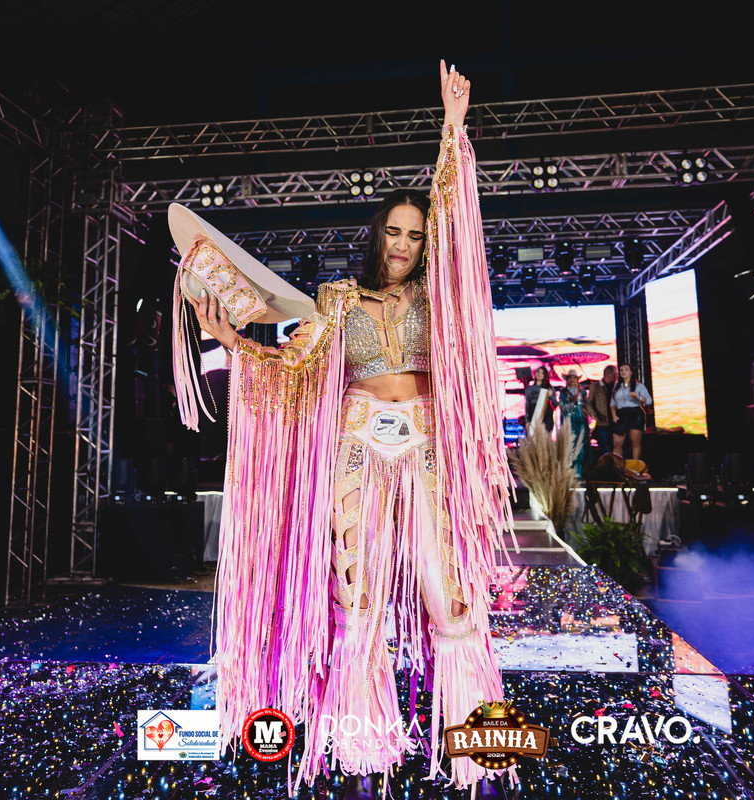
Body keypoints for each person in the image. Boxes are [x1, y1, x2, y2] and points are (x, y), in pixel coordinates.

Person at [187, 62, 515, 796]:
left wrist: (452, 131)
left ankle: (477, 753)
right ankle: (364, 751)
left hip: (427, 448)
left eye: (415, 235)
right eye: (394, 232)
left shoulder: (439, 296)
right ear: (377, 236)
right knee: (356, 597)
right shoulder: (336, 300)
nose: (403, 244)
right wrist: (232, 339)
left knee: (450, 597)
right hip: (359, 447)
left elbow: (456, 220)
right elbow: (294, 367)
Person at [611, 362, 653, 462]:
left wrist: (639, 397)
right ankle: (618, 466)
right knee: (617, 442)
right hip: (621, 413)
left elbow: (649, 400)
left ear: (631, 372)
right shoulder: (617, 386)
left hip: (634, 413)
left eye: (626, 369)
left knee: (635, 442)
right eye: (621, 370)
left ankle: (635, 465)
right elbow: (612, 403)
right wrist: (614, 415)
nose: (623, 372)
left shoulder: (639, 386)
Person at [558, 370, 589, 478]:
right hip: (568, 421)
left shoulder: (583, 392)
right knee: (569, 445)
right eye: (570, 378)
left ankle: (579, 471)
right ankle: (568, 471)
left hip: (580, 421)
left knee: (580, 445)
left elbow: (585, 406)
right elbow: (562, 407)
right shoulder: (563, 392)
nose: (572, 380)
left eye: (574, 378)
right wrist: (572, 402)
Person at [586, 364, 618, 465]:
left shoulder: (618, 386)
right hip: (602, 422)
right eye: (615, 375)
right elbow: (589, 403)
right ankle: (605, 467)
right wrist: (593, 415)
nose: (616, 377)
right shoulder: (595, 387)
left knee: (617, 447)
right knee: (604, 448)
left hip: (616, 422)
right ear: (608, 375)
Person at [523, 365, 555, 432]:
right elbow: (527, 405)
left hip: (546, 416)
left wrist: (551, 396)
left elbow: (555, 404)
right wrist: (527, 421)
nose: (539, 374)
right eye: (538, 372)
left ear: (545, 375)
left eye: (542, 373)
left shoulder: (549, 388)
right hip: (533, 415)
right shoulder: (529, 389)